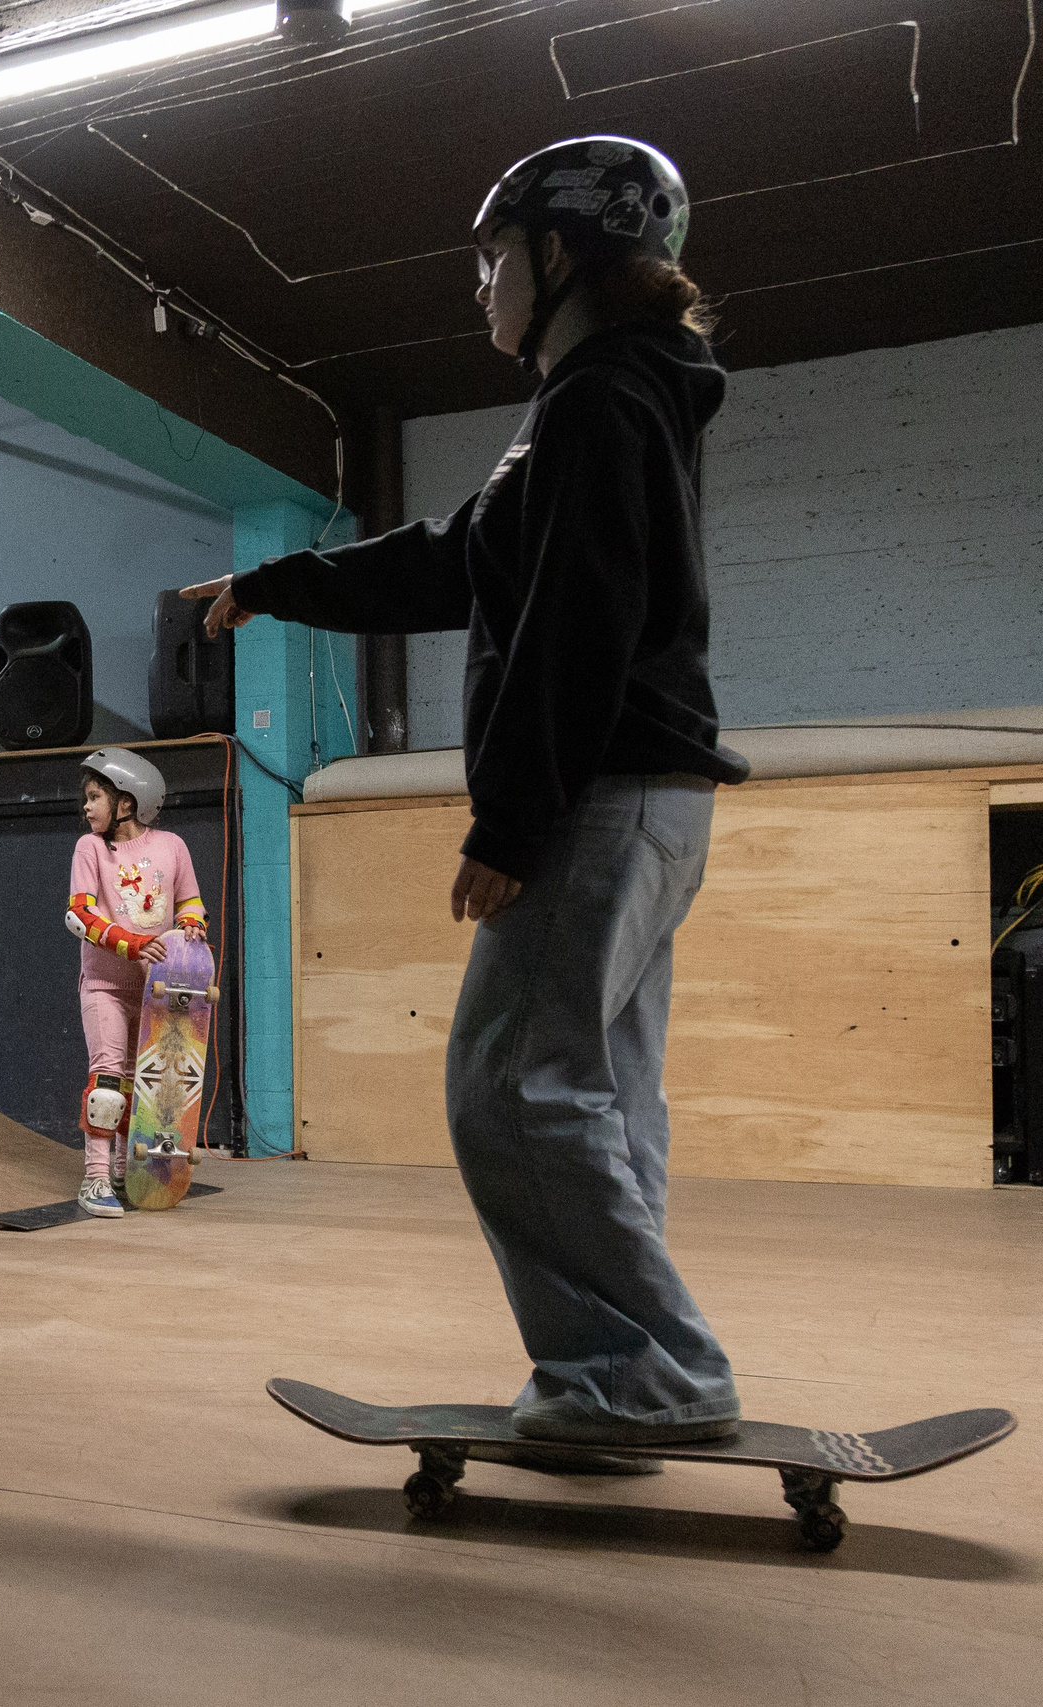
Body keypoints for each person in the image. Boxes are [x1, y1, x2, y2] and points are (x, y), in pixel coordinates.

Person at [183, 136, 748, 1448]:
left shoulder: (600, 400)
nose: (478, 285)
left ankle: (645, 1372)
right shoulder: (604, 399)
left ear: (561, 253)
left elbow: (580, 616)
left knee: (510, 1088)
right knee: (593, 1093)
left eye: (494, 258)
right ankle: (624, 1373)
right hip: (648, 794)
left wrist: (514, 816)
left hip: (599, 792)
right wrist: (277, 583)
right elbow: (462, 565)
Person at [60, 749, 206, 1219]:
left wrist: (192, 926)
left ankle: (126, 1171)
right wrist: (134, 943)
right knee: (107, 1079)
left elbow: (189, 901)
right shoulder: (89, 848)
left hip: (154, 990)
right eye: (87, 798)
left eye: (95, 797)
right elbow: (80, 916)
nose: (87, 807)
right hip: (103, 983)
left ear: (127, 801)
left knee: (138, 1083)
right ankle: (96, 1177)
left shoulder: (172, 846)